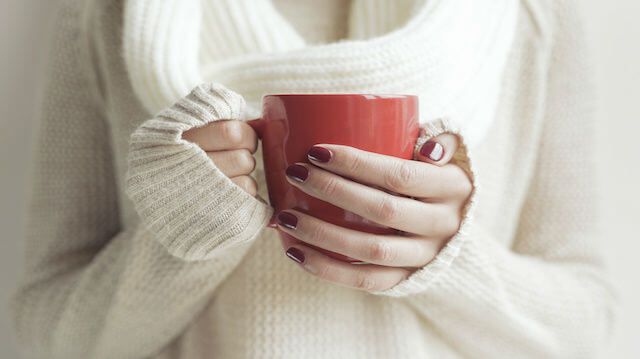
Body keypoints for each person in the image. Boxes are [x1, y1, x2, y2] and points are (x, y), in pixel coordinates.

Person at [12, 0, 615, 358]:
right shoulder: (114, 15)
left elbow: (590, 325)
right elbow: (44, 328)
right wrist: (186, 240)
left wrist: (451, 262)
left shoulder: (527, 14)